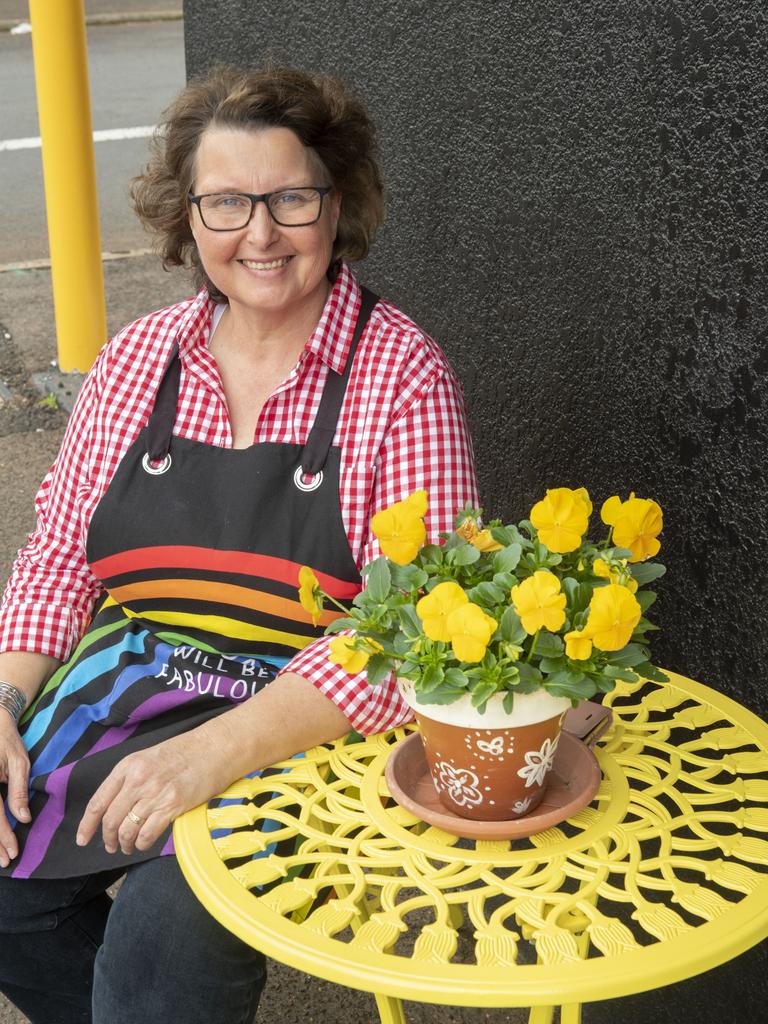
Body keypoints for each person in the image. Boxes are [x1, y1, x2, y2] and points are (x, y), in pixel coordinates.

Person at [0, 65, 478, 1023]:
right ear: (189, 217)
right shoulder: (139, 358)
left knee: (161, 944)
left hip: (300, 722)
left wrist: (215, 754)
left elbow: (411, 632)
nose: (257, 234)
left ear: (338, 205)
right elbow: (59, 555)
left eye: (289, 198)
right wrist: (5, 698)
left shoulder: (401, 376)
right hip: (133, 683)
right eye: (225, 203)